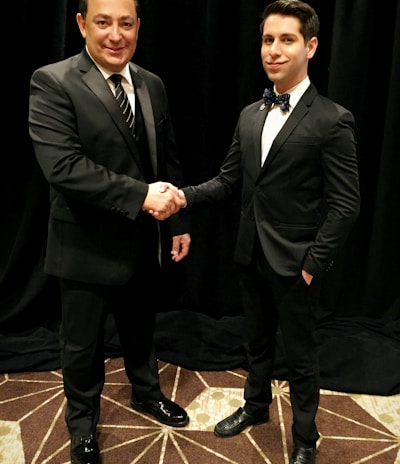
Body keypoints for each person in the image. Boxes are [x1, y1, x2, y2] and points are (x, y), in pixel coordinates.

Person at [176, 1, 360, 463]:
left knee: (300, 356)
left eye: (286, 39)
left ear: (311, 46)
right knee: (255, 342)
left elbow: (345, 205)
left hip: (297, 264)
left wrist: (313, 265)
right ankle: (256, 407)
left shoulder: (332, 120)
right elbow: (227, 181)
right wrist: (182, 198)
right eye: (267, 40)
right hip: (249, 254)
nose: (273, 50)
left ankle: (304, 439)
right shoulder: (250, 114)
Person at [28, 0, 190, 462]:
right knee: (81, 345)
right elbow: (63, 168)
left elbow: (167, 159)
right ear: (82, 24)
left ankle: (146, 392)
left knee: (142, 327)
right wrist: (141, 196)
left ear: (139, 25)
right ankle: (81, 425)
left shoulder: (152, 84)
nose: (115, 34)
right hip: (83, 241)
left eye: (125, 23)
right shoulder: (52, 81)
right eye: (103, 22)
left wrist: (177, 220)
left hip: (144, 238)